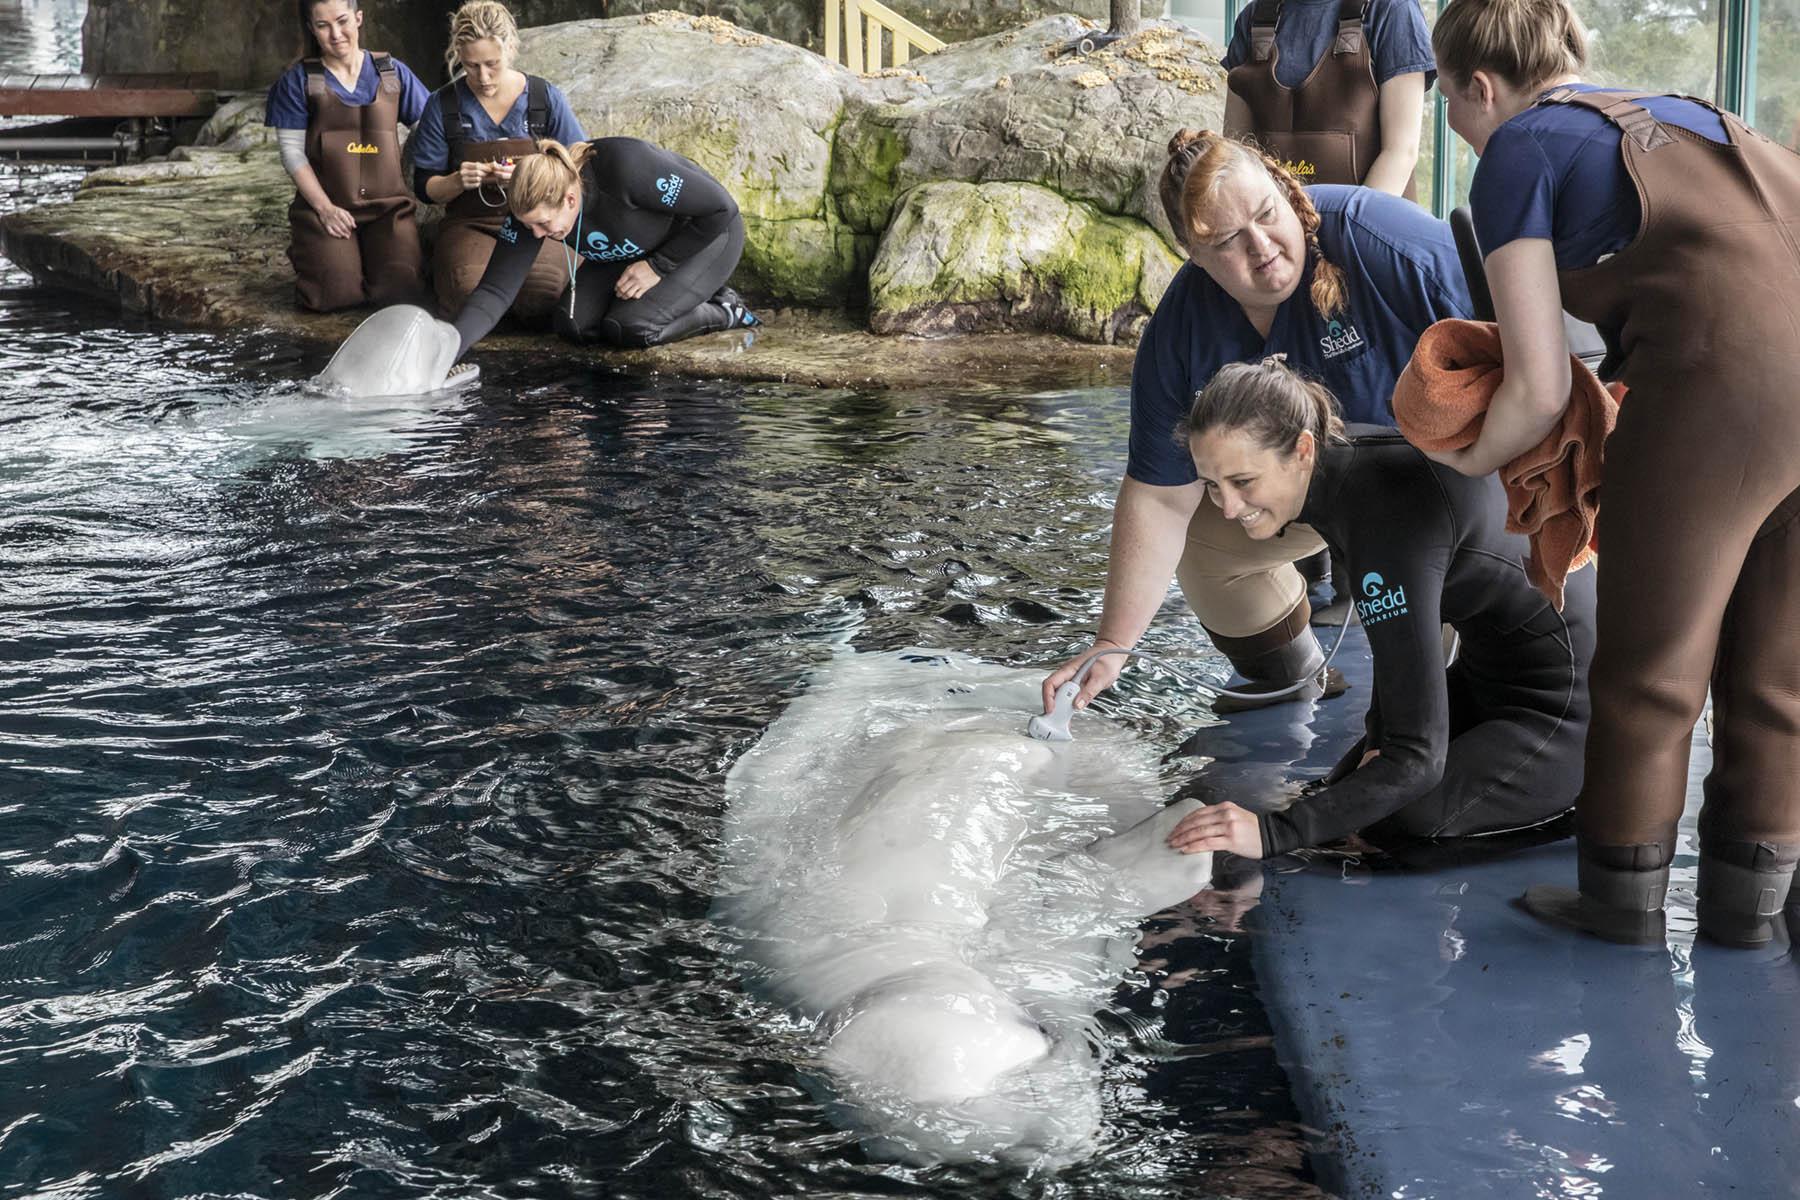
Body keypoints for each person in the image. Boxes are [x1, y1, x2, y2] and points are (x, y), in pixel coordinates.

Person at [1423, 0, 1800, 949]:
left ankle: (1618, 908)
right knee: (1780, 678)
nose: (1461, 131)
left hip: (1723, 393)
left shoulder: (1521, 148)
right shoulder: (1696, 114)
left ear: (1479, 85)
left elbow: (1541, 383)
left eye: (1451, 105)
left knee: (1651, 675)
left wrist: (1468, 455)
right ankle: (1745, 917)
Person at [1041, 129, 1471, 718]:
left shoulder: (1384, 241)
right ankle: (1293, 676)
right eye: (1226, 242)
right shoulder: (1183, 328)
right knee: (1199, 535)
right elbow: (1159, 499)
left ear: (1285, 190)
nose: (1262, 248)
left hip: (1449, 483)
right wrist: (1112, 647)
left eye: (1268, 215)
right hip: (1314, 491)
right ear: (1193, 254)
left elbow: (1521, 365)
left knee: (1448, 665)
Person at [1163, 357, 1595, 859]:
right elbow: (1401, 659)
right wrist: (1375, 740)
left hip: (1570, 711)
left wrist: (1270, 835)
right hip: (1489, 676)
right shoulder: (1346, 468)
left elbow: (1417, 760)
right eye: (1212, 485)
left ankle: (1579, 815)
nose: (1228, 507)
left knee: (1396, 822)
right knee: (1340, 794)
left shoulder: (1388, 516)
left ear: (1301, 449)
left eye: (1243, 481)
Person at [448, 137, 758, 357]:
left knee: (632, 328)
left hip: (705, 238)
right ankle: (681, 294)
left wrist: (658, 266)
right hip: (625, 249)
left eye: (542, 225)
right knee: (573, 326)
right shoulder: (531, 211)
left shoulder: (625, 167)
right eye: (530, 226)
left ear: (570, 200)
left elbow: (721, 208)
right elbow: (495, 291)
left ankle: (725, 310)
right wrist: (448, 351)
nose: (537, 235)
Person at [407, 0, 586, 321]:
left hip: (539, 221)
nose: (484, 77)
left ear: (511, 48)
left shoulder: (544, 100)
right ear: (457, 55)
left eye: (493, 63)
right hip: (471, 222)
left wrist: (533, 178)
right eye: (471, 66)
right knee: (466, 290)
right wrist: (458, 180)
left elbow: (580, 167)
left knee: (545, 290)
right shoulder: (442, 105)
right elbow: (424, 187)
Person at [266, 0, 431, 312]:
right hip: (327, 209)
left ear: (358, 19)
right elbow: (291, 154)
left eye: (342, 21)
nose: (336, 34)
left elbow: (429, 129)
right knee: (335, 296)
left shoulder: (392, 72)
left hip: (388, 210)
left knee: (402, 294)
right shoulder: (298, 81)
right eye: (323, 25)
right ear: (312, 29)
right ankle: (315, 252)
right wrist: (325, 209)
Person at [1222, 0, 1434, 198]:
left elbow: (1401, 152)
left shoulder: (1392, 10)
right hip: (1272, 231)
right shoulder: (1253, 18)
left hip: (1369, 226)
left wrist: (1351, 230)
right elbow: (1235, 153)